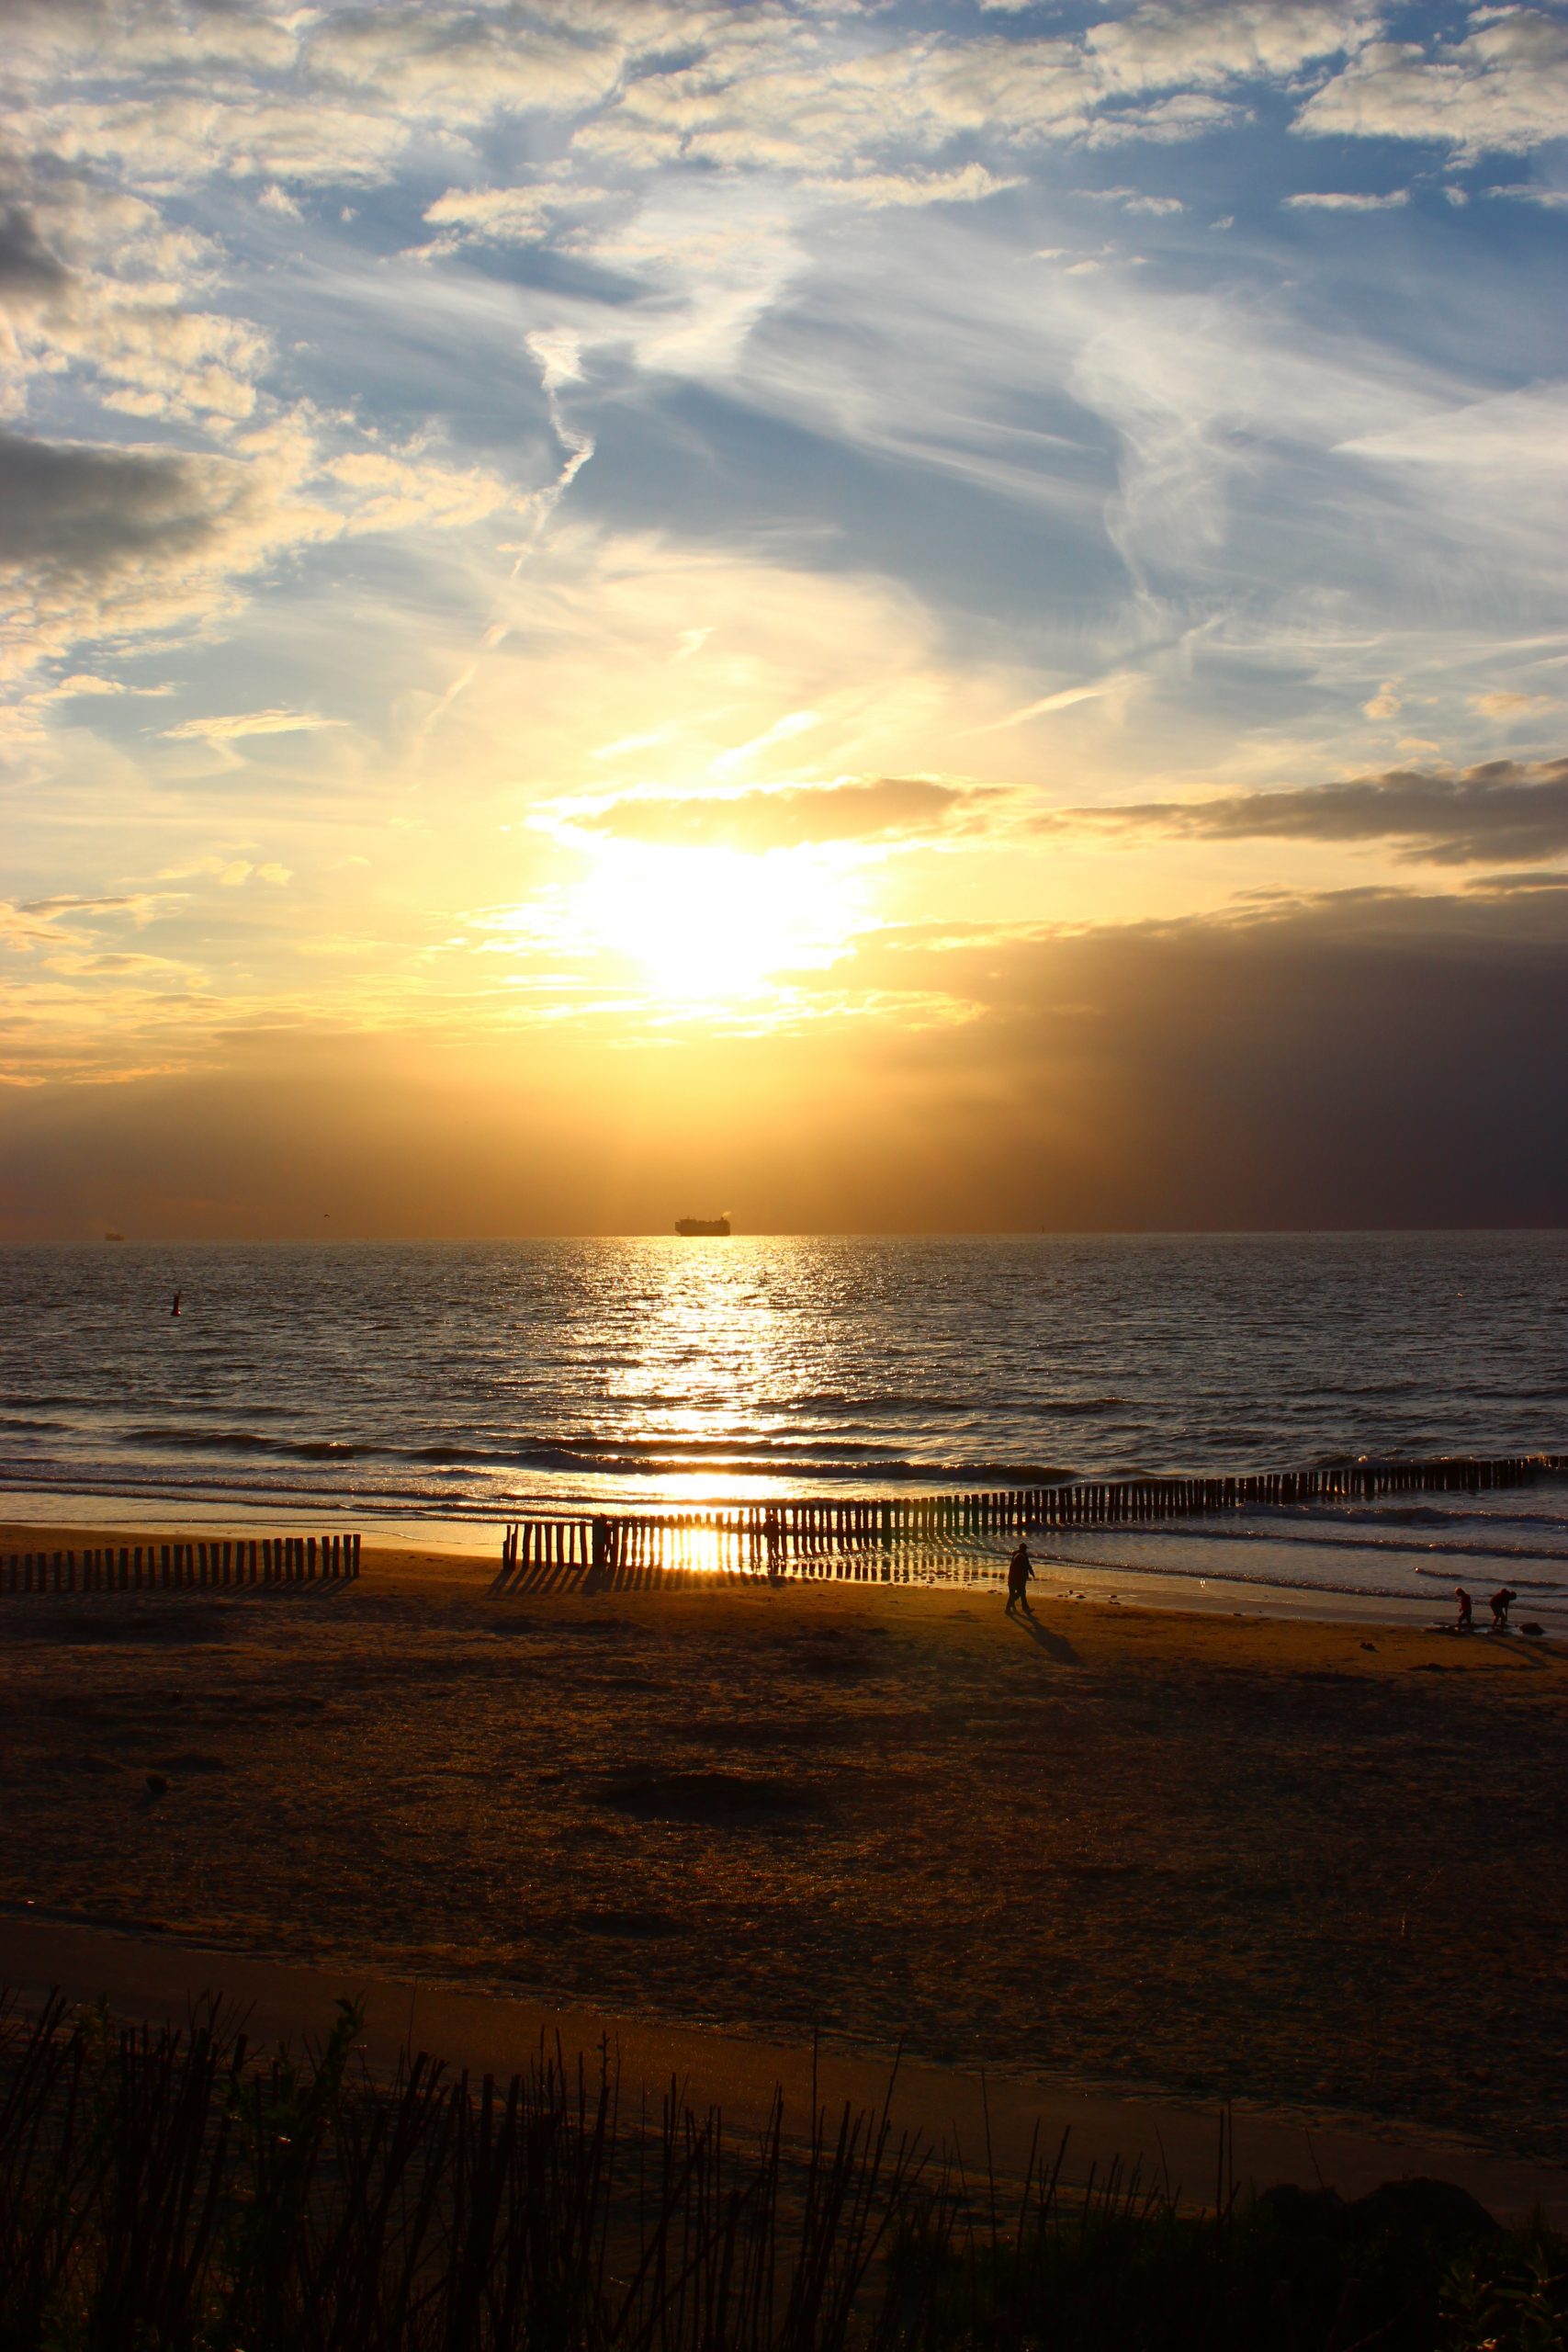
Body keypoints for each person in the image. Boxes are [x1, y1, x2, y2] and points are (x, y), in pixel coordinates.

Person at [1006, 1539, 1034, 1616]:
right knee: (1020, 1592)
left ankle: (1019, 1607)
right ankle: (1011, 1606)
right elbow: (1025, 1566)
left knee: (1018, 1593)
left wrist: (1030, 1572)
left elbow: (1026, 1566)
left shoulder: (1016, 1555)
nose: (1025, 1550)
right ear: (1023, 1549)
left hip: (1013, 1578)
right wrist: (1029, 1573)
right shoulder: (1021, 1556)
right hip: (1017, 1578)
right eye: (1025, 1549)